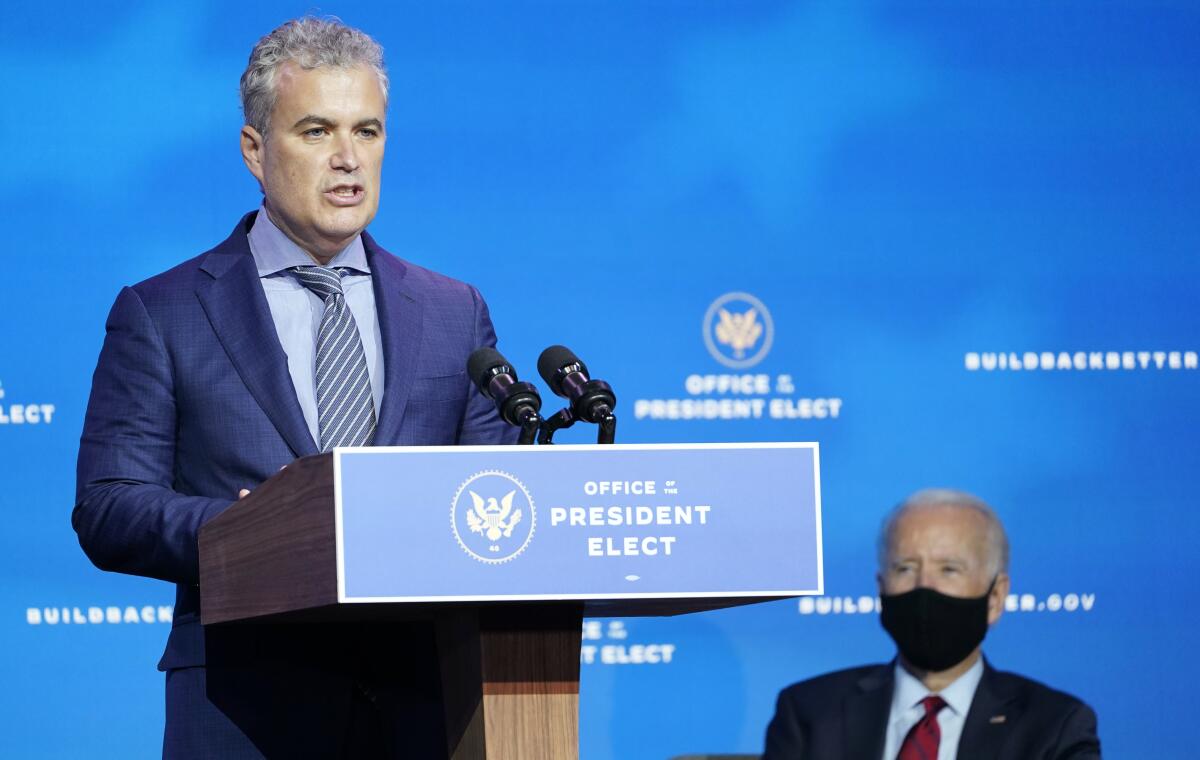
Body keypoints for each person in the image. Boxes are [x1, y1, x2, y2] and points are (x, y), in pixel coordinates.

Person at [72, 17, 515, 759]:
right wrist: (248, 532)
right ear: (255, 150)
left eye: (367, 131)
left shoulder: (452, 310)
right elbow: (110, 504)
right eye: (316, 131)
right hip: (243, 707)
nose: (348, 160)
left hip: (425, 702)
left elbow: (492, 491)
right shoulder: (163, 312)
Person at [764, 489, 1101, 759]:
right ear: (881, 588)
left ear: (995, 597)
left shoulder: (1054, 726)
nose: (925, 587)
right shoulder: (809, 714)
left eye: (949, 569)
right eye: (906, 568)